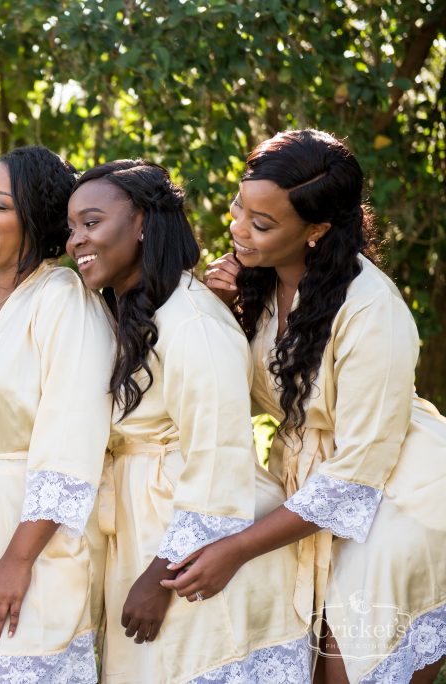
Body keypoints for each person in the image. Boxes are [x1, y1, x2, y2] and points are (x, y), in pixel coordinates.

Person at [184, 128, 446, 683]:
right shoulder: (255, 285)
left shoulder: (373, 309)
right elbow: (230, 391)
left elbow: (355, 474)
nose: (237, 228)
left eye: (262, 223)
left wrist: (236, 549)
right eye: (239, 207)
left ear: (316, 230)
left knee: (346, 665)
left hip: (401, 490)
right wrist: (222, 313)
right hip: (308, 486)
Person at [66, 160, 309, 683]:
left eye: (90, 222)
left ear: (142, 224)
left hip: (194, 551)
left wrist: (161, 576)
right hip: (145, 529)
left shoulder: (195, 322)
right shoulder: (138, 312)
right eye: (71, 228)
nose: (74, 241)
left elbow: (219, 457)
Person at [0, 145, 113, 683]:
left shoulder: (64, 300)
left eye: (0, 205)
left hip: (32, 545)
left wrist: (19, 560)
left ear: (36, 219)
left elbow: (72, 440)